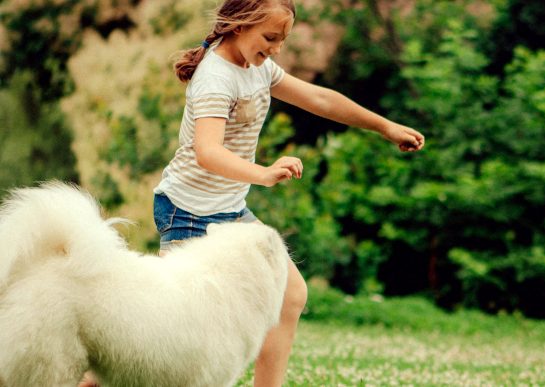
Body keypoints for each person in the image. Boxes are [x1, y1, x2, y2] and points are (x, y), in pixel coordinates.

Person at [80, 0, 423, 386]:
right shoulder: (216, 77)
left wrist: (385, 127)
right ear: (240, 25)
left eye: (282, 40)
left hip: (229, 209)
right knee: (174, 326)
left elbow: (321, 99)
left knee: (289, 294)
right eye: (270, 37)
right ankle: (96, 379)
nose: (276, 48)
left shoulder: (257, 68)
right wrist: (263, 173)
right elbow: (208, 153)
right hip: (188, 211)